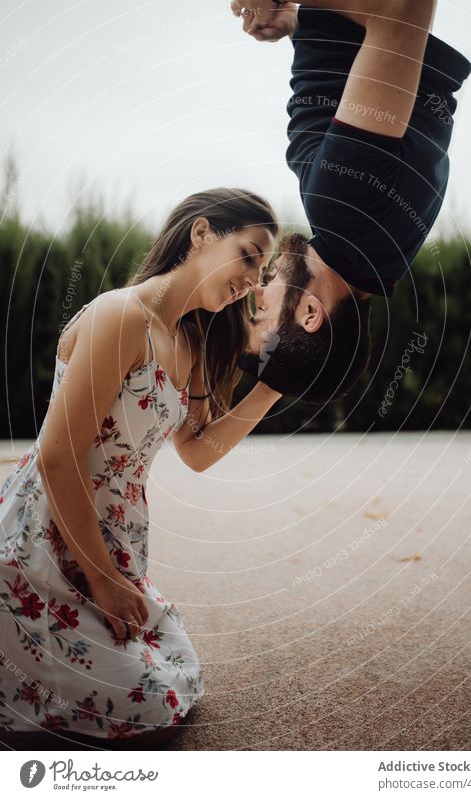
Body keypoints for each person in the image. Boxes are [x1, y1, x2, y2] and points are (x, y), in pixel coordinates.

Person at [0, 188, 282, 750]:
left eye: (264, 269)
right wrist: (103, 582)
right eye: (249, 254)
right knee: (148, 704)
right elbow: (58, 455)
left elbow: (197, 450)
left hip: (116, 545)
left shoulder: (190, 339)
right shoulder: (121, 314)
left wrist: (275, 386)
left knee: (178, 675)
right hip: (42, 540)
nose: (254, 279)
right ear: (201, 233)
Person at [231, 0, 471, 403]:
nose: (257, 290)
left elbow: (356, 80)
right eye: (259, 313)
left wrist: (301, 28)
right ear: (308, 314)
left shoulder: (383, 252)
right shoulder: (347, 206)